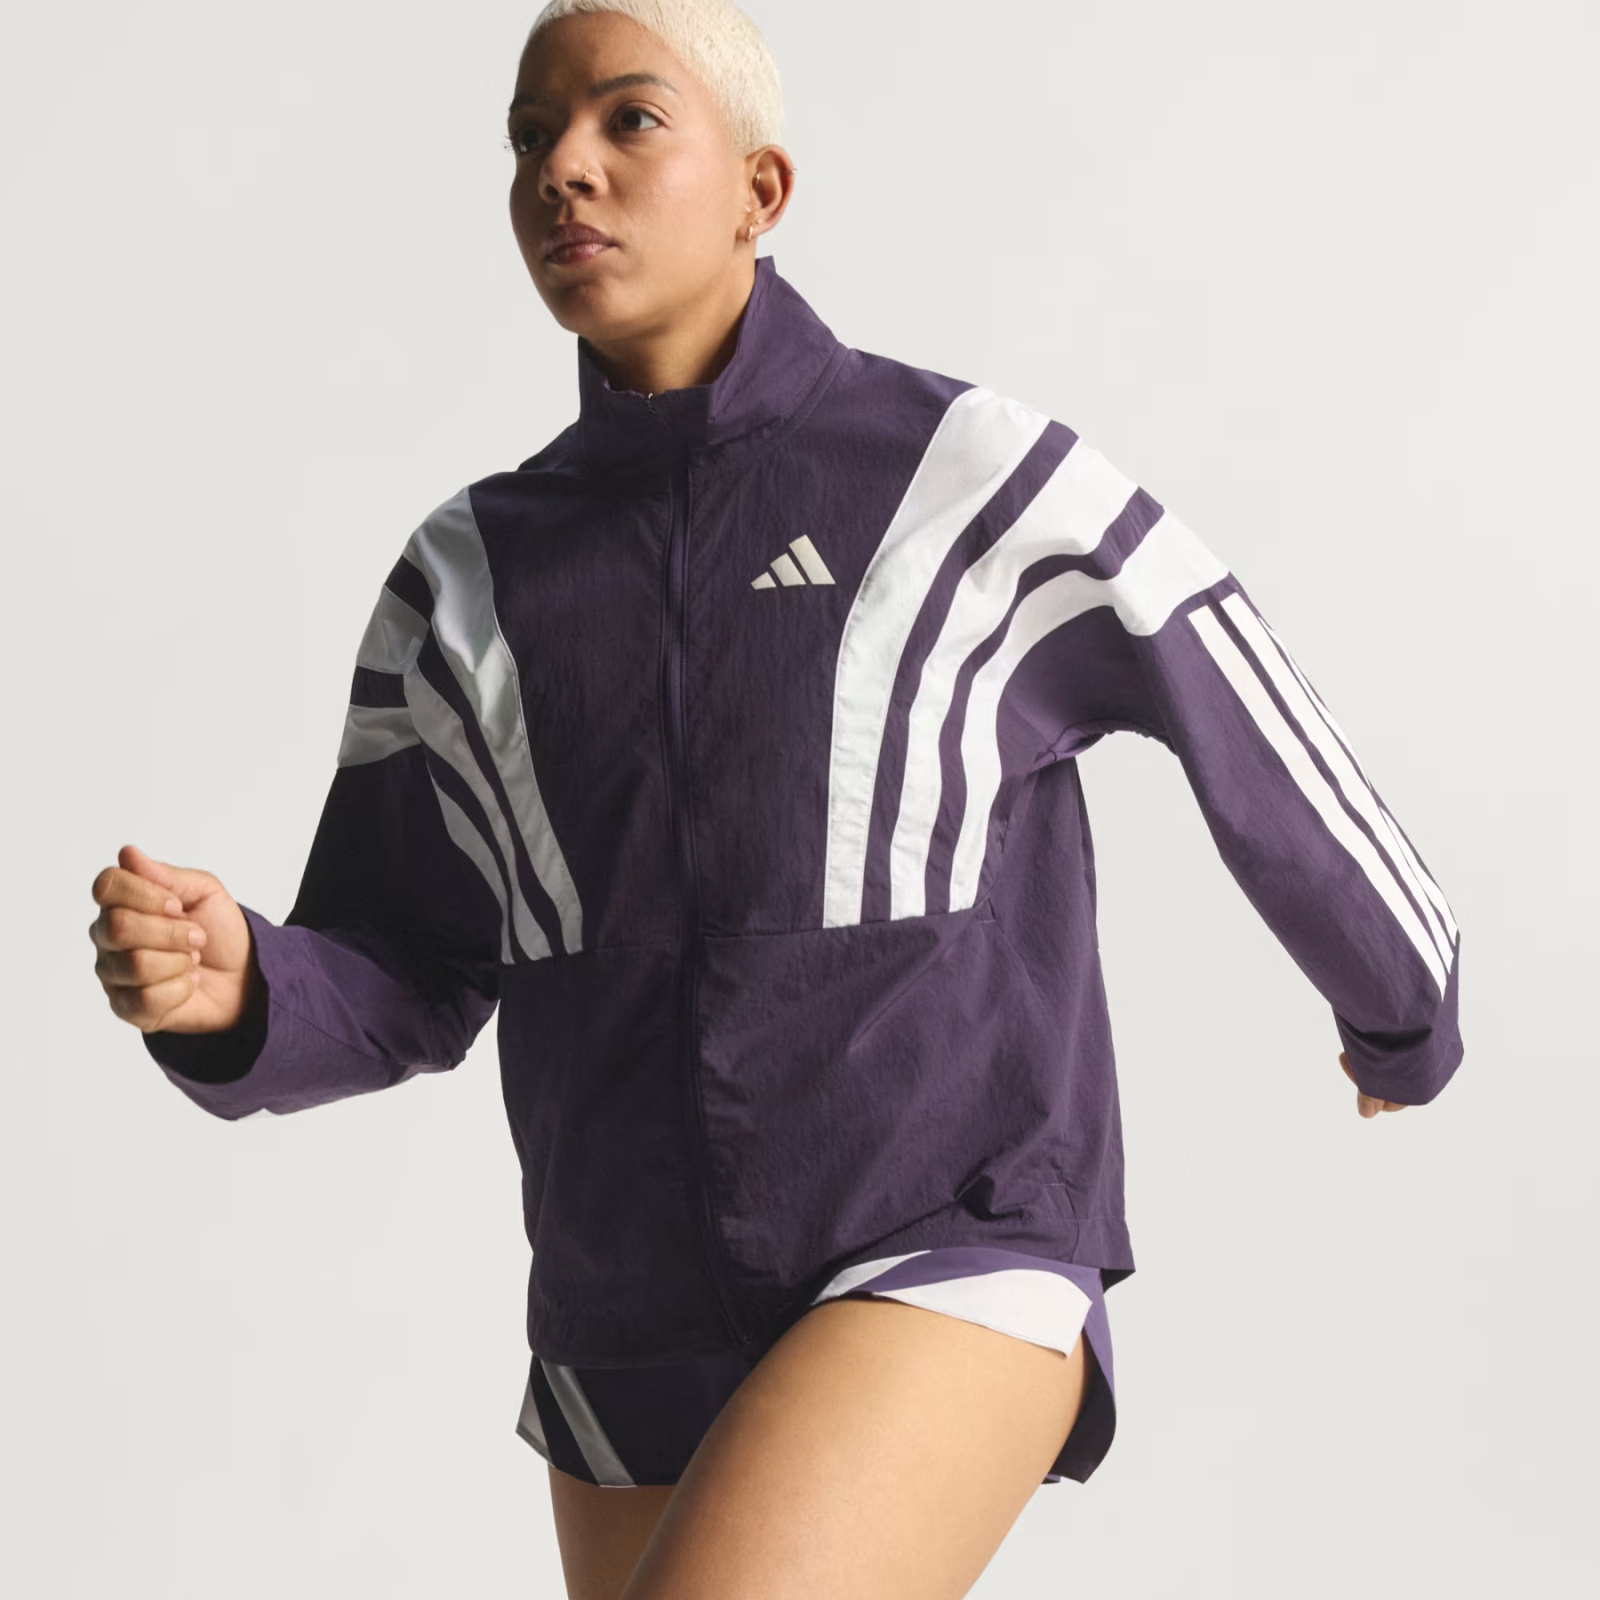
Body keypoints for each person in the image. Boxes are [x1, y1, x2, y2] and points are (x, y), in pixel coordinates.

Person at [87, 2, 1464, 1596]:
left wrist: (1402, 1003)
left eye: (628, 119)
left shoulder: (965, 472)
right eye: (531, 136)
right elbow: (406, 959)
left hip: (947, 1238)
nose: (564, 169)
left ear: (762, 188)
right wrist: (245, 987)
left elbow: (1239, 700)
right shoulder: (467, 575)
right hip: (621, 1326)